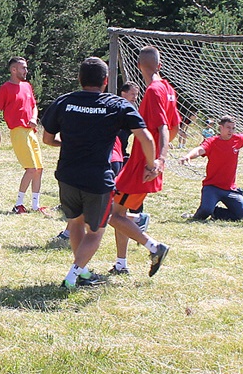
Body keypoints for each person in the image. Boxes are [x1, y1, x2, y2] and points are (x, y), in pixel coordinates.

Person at [41, 57, 161, 289]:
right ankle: (72, 276)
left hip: (67, 175)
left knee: (75, 224)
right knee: (96, 232)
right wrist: (151, 163)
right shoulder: (116, 104)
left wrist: (64, 144)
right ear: (105, 81)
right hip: (98, 179)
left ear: (79, 78)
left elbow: (47, 138)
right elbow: (145, 136)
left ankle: (82, 272)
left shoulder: (64, 102)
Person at [110, 46, 180, 276]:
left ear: (139, 66)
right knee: (119, 212)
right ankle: (121, 264)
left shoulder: (153, 91)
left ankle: (154, 246)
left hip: (143, 165)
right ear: (159, 65)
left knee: (111, 214)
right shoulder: (169, 88)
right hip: (143, 163)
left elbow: (162, 127)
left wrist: (158, 160)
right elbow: (174, 126)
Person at [56, 81, 140, 242]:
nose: (135, 98)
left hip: (111, 159)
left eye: (136, 95)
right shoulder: (115, 107)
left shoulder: (119, 109)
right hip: (109, 159)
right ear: (123, 93)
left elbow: (143, 135)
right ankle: (136, 222)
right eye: (132, 94)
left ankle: (141, 230)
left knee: (100, 210)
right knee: (104, 207)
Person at [0, 57, 46, 214]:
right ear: (13, 70)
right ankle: (18, 205)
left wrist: (33, 118)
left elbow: (34, 106)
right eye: (23, 68)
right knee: (31, 168)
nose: (26, 71)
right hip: (18, 131)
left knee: (39, 169)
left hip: (31, 132)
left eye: (26, 68)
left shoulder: (27, 86)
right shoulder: (6, 88)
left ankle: (35, 206)